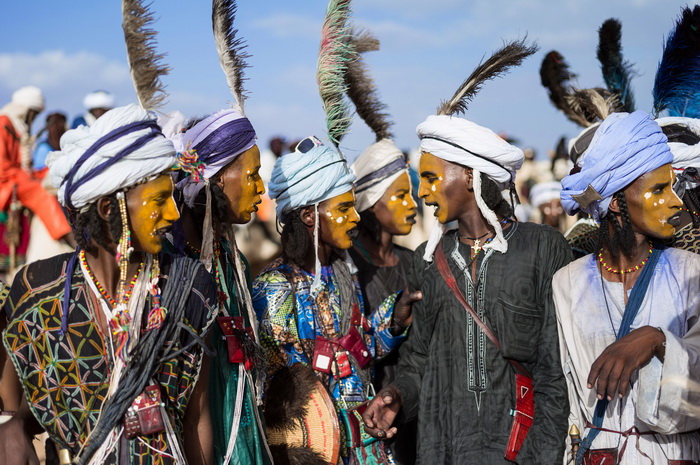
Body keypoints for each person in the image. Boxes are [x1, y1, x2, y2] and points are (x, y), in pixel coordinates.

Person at [361, 39, 572, 465]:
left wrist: (541, 456)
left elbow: (557, 371)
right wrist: (397, 394)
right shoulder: (427, 259)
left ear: (471, 176)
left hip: (518, 451)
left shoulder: (542, 248)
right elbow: (419, 359)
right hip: (442, 449)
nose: (423, 191)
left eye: (431, 178)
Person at [253, 136, 418, 464]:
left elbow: (360, 348)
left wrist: (393, 320)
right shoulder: (273, 288)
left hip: (367, 446)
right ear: (309, 216)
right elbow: (280, 398)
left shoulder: (343, 273)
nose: (355, 217)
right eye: (343, 209)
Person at [555, 110, 700, 464]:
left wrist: (658, 340)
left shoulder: (690, 272)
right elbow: (565, 397)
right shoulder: (568, 283)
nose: (675, 201)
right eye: (659, 189)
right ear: (617, 201)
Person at [165, 1, 273, 462]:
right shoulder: (169, 263)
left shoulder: (233, 259)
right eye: (249, 176)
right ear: (210, 179)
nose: (260, 189)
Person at [344, 28, 418, 464]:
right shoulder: (349, 265)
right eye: (400, 196)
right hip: (368, 418)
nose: (412, 206)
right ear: (371, 206)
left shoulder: (414, 261)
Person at [0, 86, 72, 244]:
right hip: (6, 183)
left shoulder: (15, 126)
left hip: (17, 178)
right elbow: (2, 168)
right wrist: (27, 175)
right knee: (40, 192)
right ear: (25, 110)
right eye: (34, 114)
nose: (34, 118)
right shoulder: (3, 124)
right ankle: (67, 237)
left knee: (54, 175)